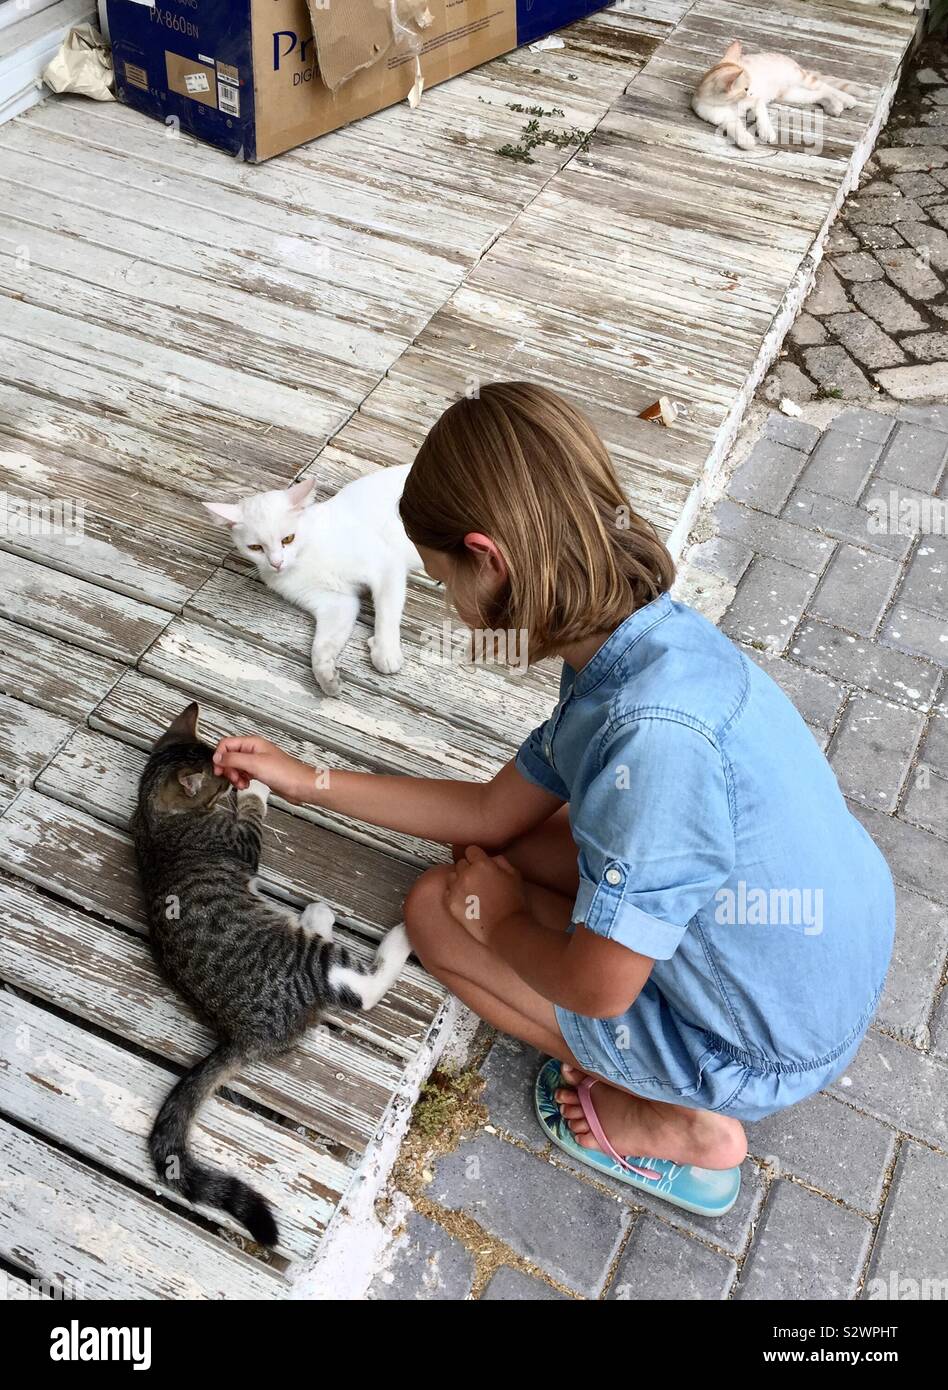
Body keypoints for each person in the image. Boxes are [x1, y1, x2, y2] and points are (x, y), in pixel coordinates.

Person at [213, 382, 894, 1216]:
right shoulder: (641, 639)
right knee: (518, 847)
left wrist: (497, 921)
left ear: (488, 558)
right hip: (823, 945)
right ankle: (623, 1001)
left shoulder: (651, 735)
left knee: (437, 907)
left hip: (770, 1045)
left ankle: (682, 1123)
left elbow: (598, 989)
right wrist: (303, 777)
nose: (453, 607)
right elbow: (490, 816)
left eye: (442, 581)